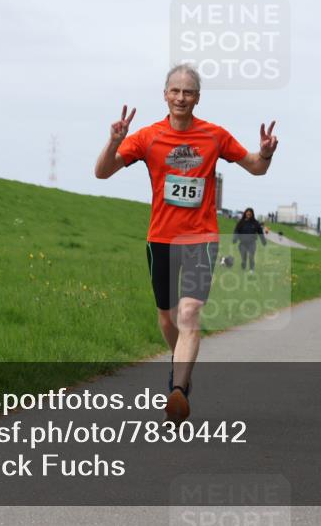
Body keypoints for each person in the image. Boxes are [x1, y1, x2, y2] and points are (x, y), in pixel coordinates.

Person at [94, 64, 278, 424]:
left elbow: (256, 167)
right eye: (175, 91)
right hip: (160, 239)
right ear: (165, 95)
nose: (181, 97)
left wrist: (266, 152)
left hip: (201, 239)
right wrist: (114, 141)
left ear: (198, 97)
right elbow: (102, 172)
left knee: (189, 313)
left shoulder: (214, 136)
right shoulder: (148, 137)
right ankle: (182, 367)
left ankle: (178, 390)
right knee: (166, 318)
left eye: (188, 91)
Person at [233, 207, 267, 272]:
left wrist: (263, 241)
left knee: (251, 256)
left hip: (252, 243)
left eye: (250, 213)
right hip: (242, 243)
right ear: (245, 214)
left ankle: (251, 269)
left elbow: (260, 232)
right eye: (247, 213)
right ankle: (243, 264)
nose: (248, 214)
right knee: (244, 257)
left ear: (252, 214)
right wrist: (235, 238)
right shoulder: (241, 222)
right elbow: (236, 231)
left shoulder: (255, 223)